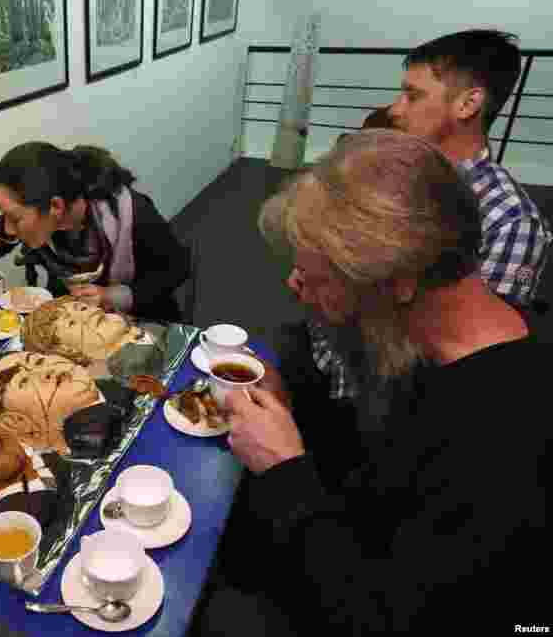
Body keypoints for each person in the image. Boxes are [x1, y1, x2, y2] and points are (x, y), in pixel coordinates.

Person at [201, 131, 548, 635]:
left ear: (397, 279)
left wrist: (284, 469)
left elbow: (374, 615)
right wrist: (293, 404)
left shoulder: (502, 443)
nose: (294, 287)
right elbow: (374, 480)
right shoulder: (438, 349)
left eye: (316, 277)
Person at [303, 30, 550, 405]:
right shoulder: (387, 171)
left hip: (383, 410)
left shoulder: (512, 223)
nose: (396, 109)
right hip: (322, 355)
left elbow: (477, 366)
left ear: (468, 104)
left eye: (413, 95)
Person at [0, 142, 189, 322]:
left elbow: (177, 269)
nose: (7, 227)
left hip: (142, 322)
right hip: (75, 319)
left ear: (56, 207)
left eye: (14, 218)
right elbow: (7, 228)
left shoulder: (132, 214)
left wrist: (112, 296)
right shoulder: (42, 209)